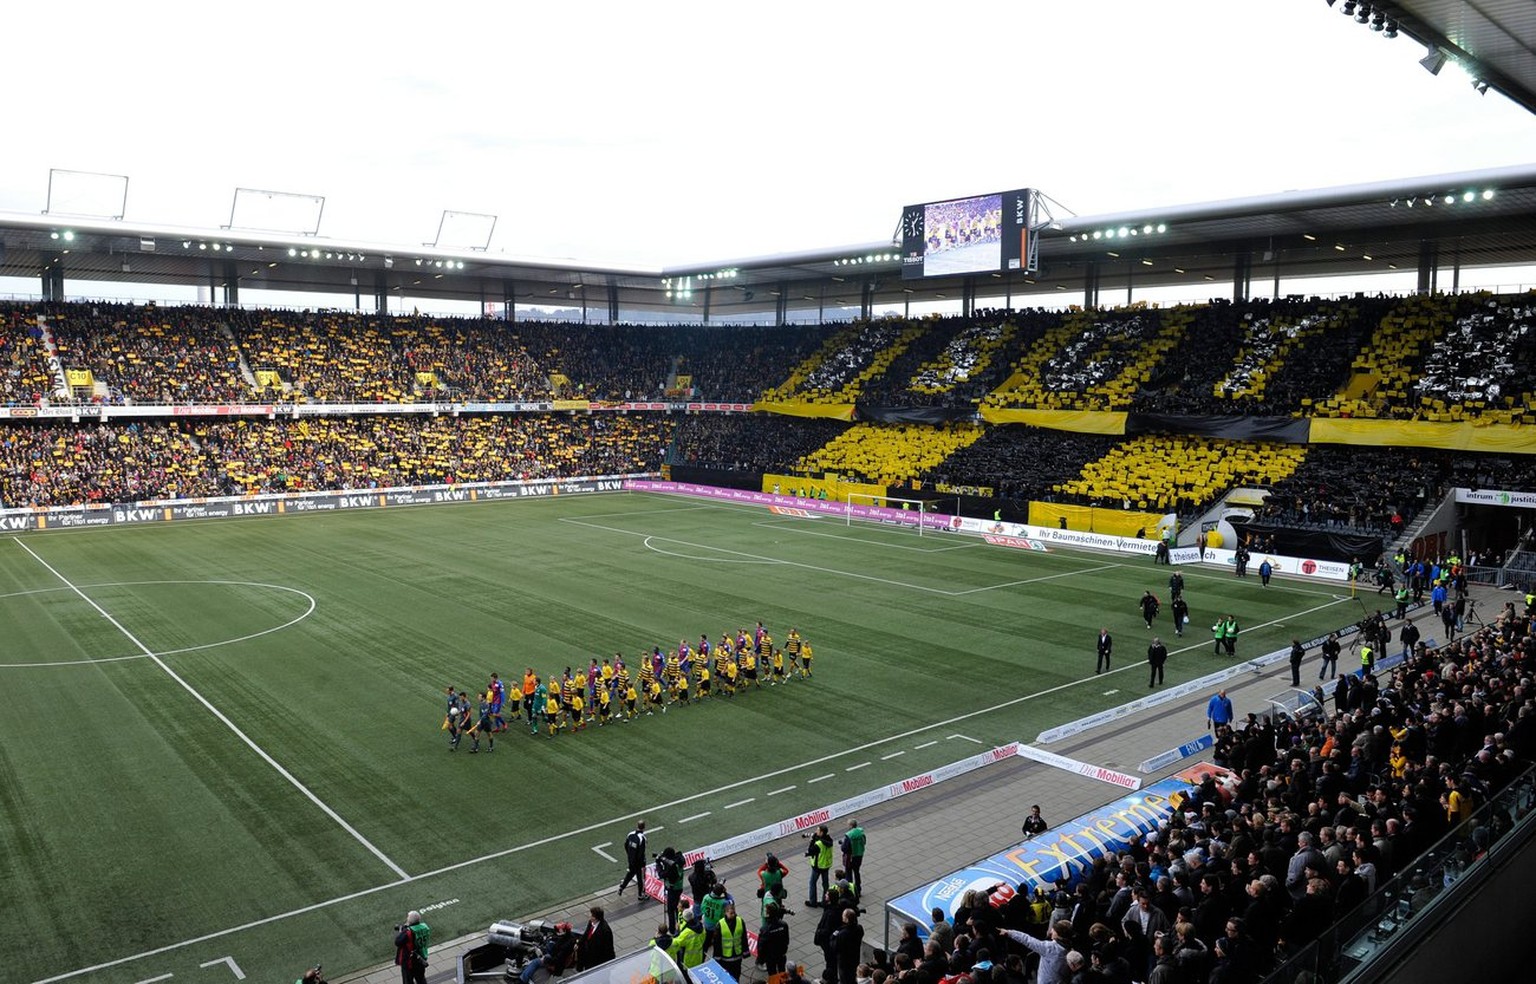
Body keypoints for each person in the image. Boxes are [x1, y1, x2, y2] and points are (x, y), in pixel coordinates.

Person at [394, 910, 430, 984]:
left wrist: (403, 929)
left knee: (408, 981)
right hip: (421, 957)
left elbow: (397, 942)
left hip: (409, 961)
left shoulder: (408, 932)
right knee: (421, 979)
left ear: (410, 920)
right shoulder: (424, 927)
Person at [715, 901, 748, 980]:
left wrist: (745, 951)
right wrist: (717, 956)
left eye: (734, 913)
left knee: (737, 974)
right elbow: (717, 942)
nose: (733, 915)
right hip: (725, 956)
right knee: (727, 975)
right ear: (725, 913)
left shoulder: (740, 921)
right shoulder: (720, 924)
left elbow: (744, 937)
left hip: (737, 955)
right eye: (731, 913)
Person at [833, 907, 865, 984]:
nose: (842, 917)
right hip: (855, 958)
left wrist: (833, 936)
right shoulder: (859, 928)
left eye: (843, 916)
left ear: (847, 920)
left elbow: (835, 946)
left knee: (845, 979)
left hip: (844, 962)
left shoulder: (842, 934)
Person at [758, 902, 790, 976]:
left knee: (772, 975)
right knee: (782, 972)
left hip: (770, 957)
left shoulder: (765, 929)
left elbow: (761, 946)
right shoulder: (784, 924)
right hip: (781, 954)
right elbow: (787, 940)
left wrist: (761, 959)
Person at [806, 823, 834, 906]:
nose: (816, 831)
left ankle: (813, 902)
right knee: (825, 884)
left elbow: (810, 851)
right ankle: (825, 901)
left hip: (818, 866)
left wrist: (811, 841)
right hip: (826, 865)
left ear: (821, 833)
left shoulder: (818, 844)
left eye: (817, 830)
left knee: (812, 883)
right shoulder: (829, 840)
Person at [619, 820, 648, 902]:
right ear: (644, 827)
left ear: (637, 826)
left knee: (630, 874)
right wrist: (642, 862)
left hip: (631, 860)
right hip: (639, 862)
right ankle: (640, 895)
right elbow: (641, 852)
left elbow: (625, 845)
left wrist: (630, 856)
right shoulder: (642, 838)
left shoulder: (630, 834)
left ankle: (622, 887)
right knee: (640, 878)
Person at [579, 906, 615, 970]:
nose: (590, 917)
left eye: (592, 915)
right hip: (589, 956)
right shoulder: (591, 922)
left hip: (598, 960)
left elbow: (608, 948)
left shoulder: (605, 930)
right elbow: (586, 934)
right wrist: (578, 943)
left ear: (596, 918)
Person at [841, 819, 866, 894]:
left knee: (848, 874)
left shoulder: (849, 835)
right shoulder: (861, 832)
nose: (847, 826)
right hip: (859, 855)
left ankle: (851, 891)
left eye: (848, 824)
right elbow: (864, 842)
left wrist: (842, 844)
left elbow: (844, 848)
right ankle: (858, 889)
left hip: (850, 857)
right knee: (857, 872)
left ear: (851, 826)